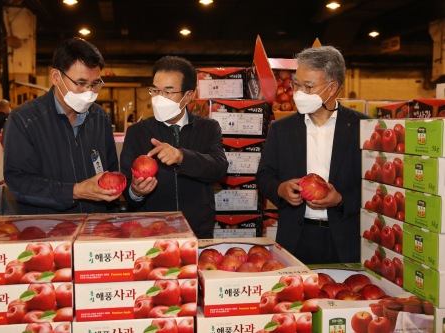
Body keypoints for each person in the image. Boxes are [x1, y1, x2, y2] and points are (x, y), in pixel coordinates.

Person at [256, 46, 371, 264]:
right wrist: (280, 189)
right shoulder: (282, 129)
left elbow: (374, 186)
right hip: (296, 238)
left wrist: (342, 199)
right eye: (296, 85)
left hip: (346, 238)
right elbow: (264, 175)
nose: (299, 93)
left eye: (308, 87)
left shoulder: (363, 127)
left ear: (332, 88)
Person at [3, 37, 121, 215]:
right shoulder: (24, 120)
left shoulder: (99, 117)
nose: (89, 92)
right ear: (56, 77)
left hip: (94, 228)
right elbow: (20, 183)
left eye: (95, 84)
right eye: (81, 83)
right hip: (47, 232)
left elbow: (110, 172)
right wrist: (75, 191)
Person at [120, 56, 228, 238]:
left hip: (197, 230)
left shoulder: (208, 128)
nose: (159, 98)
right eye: (155, 90)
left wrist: (181, 157)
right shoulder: (137, 132)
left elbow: (218, 168)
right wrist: (135, 191)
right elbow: (126, 183)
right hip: (151, 230)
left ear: (188, 95)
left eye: (168, 92)